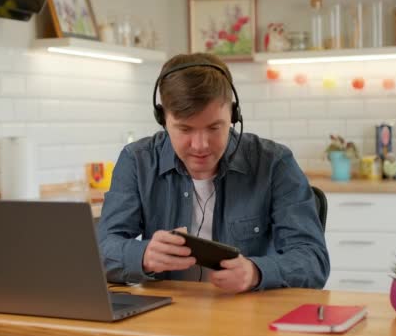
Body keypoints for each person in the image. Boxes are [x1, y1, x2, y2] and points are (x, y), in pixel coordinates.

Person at [97, 53, 329, 293]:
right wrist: (143, 254)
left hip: (248, 318)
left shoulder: (274, 163)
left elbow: (313, 260)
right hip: (166, 318)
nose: (200, 145)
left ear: (233, 115)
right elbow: (102, 249)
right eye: (185, 129)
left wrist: (256, 272)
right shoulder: (137, 161)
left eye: (214, 127)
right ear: (162, 119)